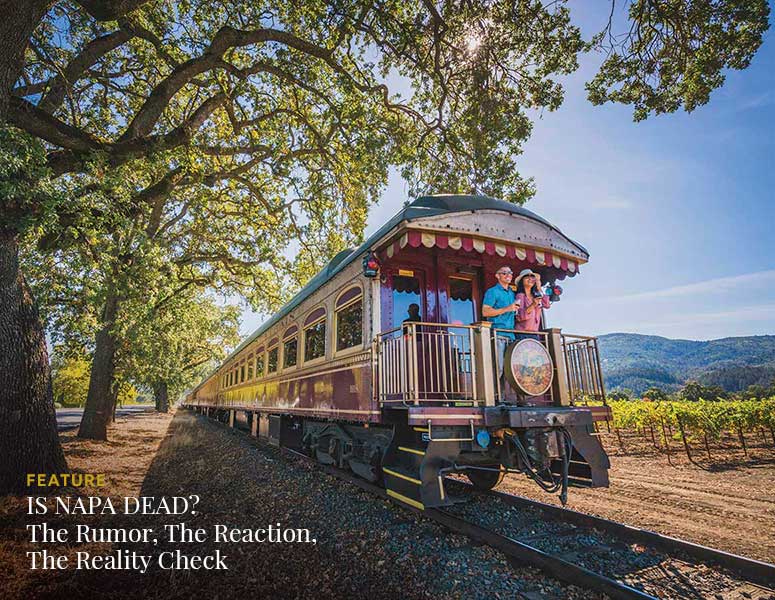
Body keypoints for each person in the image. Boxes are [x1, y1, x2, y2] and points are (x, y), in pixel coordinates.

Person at [482, 266, 520, 399]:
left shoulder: (511, 293)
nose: (508, 275)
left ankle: (503, 398)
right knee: (497, 369)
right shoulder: (492, 292)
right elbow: (485, 312)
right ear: (497, 276)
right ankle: (493, 398)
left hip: (511, 335)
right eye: (504, 273)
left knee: (508, 371)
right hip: (497, 334)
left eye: (510, 273)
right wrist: (507, 308)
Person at [514, 269, 551, 338]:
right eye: (527, 277)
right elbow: (520, 316)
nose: (530, 279)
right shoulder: (520, 296)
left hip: (535, 333)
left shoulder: (536, 295)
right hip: (522, 333)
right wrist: (533, 305)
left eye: (532, 277)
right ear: (522, 281)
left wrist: (539, 288)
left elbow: (547, 305)